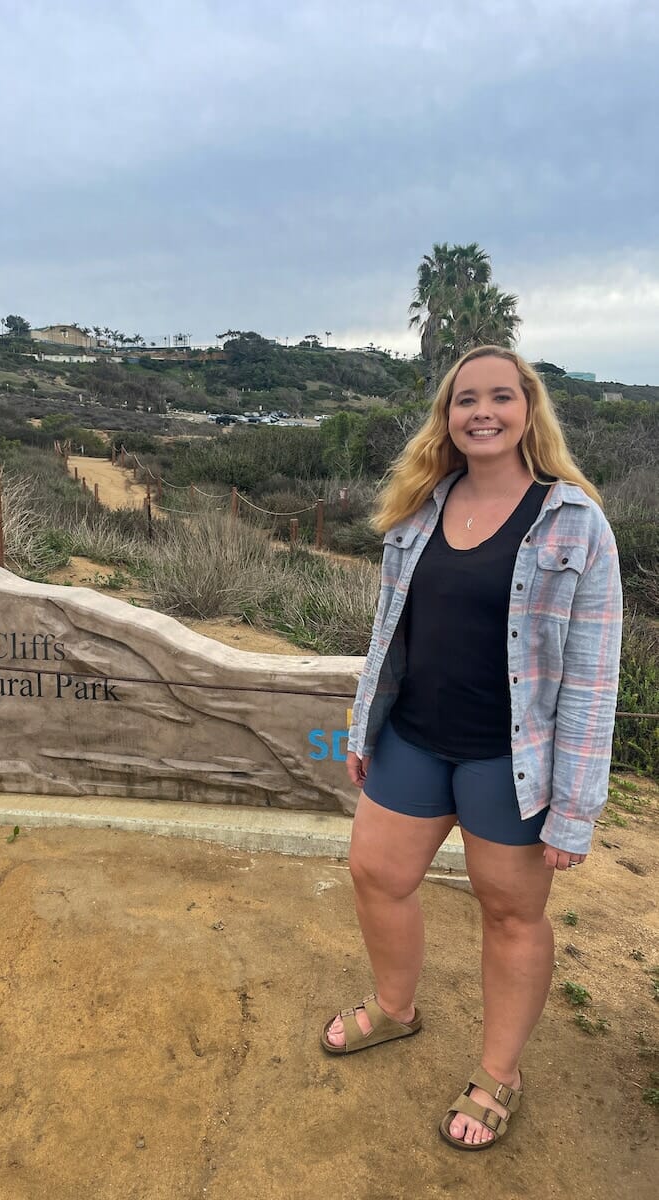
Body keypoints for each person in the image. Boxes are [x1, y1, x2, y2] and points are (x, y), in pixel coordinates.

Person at [320, 346, 623, 1151]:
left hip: (511, 762)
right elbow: (390, 635)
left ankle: (499, 1073)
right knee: (377, 874)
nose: (481, 412)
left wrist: (576, 810)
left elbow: (595, 678)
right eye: (465, 401)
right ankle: (395, 1008)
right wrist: (364, 726)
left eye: (500, 397)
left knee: (510, 913)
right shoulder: (421, 508)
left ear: (528, 411)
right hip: (415, 738)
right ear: (447, 419)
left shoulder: (574, 521)